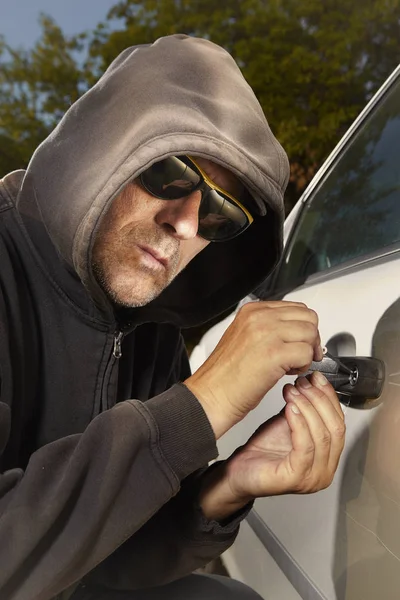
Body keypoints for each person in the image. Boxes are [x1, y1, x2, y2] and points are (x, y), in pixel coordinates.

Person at [0, 34, 345, 600]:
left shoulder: (152, 329)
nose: (187, 226)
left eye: (220, 214)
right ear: (104, 146)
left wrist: (226, 487)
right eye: (171, 175)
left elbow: (108, 562)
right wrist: (202, 404)